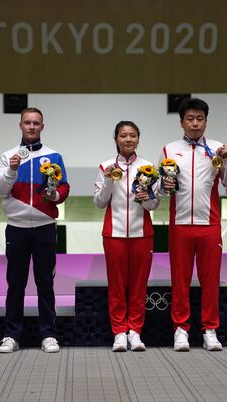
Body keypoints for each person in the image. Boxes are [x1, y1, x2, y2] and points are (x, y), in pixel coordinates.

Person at [160, 98, 227, 351]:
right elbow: (161, 188)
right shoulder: (169, 149)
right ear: (181, 122)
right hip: (180, 223)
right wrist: (163, 186)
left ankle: (210, 330)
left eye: (200, 118)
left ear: (206, 121)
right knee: (179, 280)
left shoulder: (218, 148)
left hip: (209, 223)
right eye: (190, 119)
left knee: (210, 280)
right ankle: (181, 330)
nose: (195, 123)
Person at [0, 107, 70, 353]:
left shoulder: (54, 156)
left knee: (45, 283)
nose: (31, 127)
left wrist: (55, 194)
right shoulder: (8, 156)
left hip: (45, 227)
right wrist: (11, 171)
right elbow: (1, 190)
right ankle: (11, 335)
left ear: (42, 126)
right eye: (27, 123)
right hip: (16, 228)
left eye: (36, 123)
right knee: (15, 283)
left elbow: (64, 187)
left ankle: (48, 335)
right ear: (20, 125)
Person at [93, 121, 159, 352]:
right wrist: (110, 180)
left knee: (139, 286)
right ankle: (119, 332)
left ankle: (136, 333)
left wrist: (145, 197)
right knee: (117, 286)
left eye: (132, 135)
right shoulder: (105, 166)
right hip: (114, 233)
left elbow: (154, 203)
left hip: (143, 233)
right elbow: (100, 202)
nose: (128, 139)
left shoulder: (148, 166)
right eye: (123, 136)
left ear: (138, 139)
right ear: (116, 140)